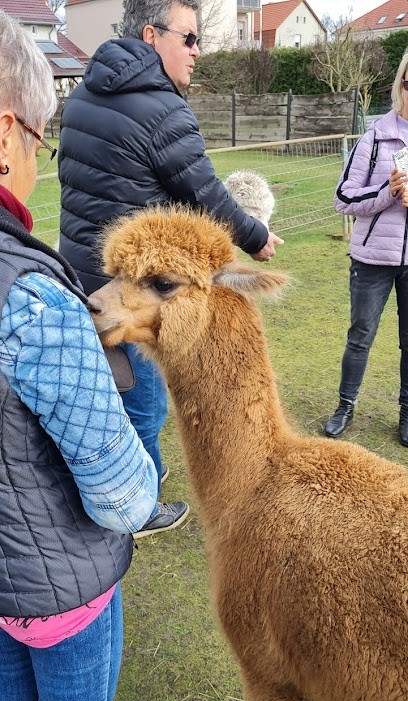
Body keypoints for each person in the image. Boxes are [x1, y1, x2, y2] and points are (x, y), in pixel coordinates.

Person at [0, 12, 162, 701]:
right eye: (37, 132)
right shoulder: (29, 294)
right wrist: (146, 473)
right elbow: (118, 491)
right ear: (4, 138)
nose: (39, 155)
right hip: (63, 586)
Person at [58, 0, 284, 530]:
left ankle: (106, 484)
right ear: (151, 34)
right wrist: (255, 237)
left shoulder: (86, 93)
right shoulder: (162, 108)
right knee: (144, 402)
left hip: (79, 271)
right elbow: (205, 190)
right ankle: (139, 503)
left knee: (98, 395)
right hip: (138, 285)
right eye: (188, 37)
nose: (197, 50)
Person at [325, 49, 408, 447]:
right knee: (360, 335)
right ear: (400, 84)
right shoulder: (375, 136)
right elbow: (343, 198)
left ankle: (407, 414)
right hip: (372, 258)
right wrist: (387, 191)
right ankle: (345, 405)